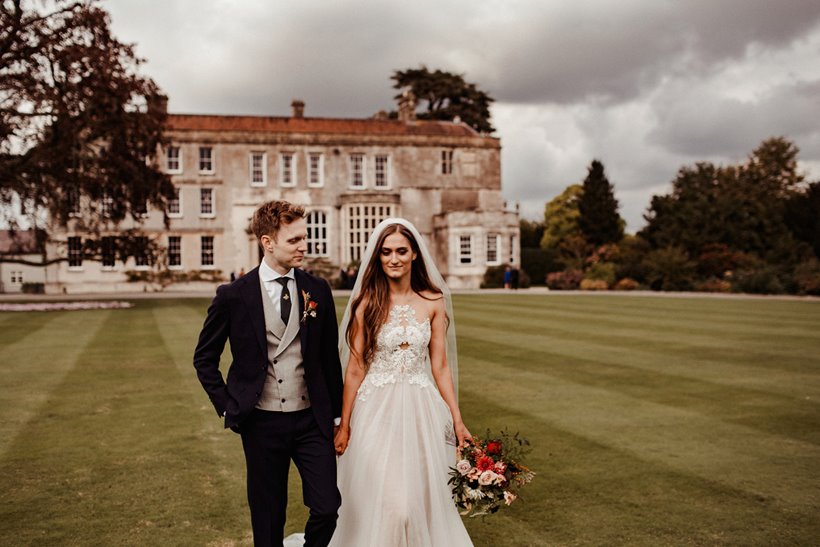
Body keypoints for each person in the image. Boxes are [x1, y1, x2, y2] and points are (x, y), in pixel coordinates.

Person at [193, 200, 343, 547]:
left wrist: (336, 417)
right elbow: (204, 358)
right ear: (268, 241)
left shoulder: (316, 290)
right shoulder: (233, 295)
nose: (303, 246)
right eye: (294, 240)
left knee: (327, 507)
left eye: (304, 238)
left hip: (311, 420)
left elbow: (327, 358)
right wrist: (228, 405)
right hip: (261, 422)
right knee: (268, 517)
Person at [330, 218, 473, 546]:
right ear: (377, 257)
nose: (393, 258)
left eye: (400, 251)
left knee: (416, 504)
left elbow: (440, 367)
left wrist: (457, 418)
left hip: (422, 411)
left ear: (414, 256)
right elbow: (354, 369)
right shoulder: (366, 302)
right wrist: (345, 424)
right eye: (386, 252)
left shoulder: (433, 301)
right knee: (391, 506)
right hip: (374, 412)